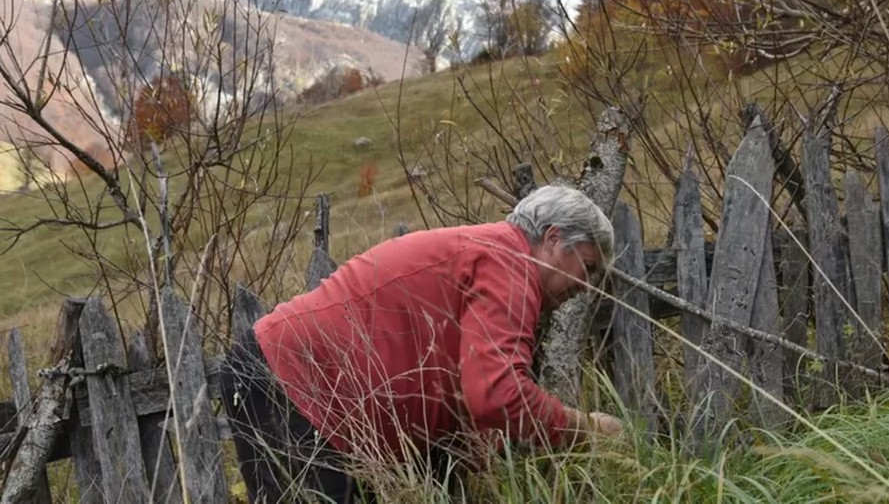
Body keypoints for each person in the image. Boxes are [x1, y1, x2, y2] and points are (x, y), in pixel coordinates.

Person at [220, 184, 624, 503]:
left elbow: (464, 377)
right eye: (587, 268)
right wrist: (584, 429)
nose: (586, 287)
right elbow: (498, 395)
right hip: (289, 381)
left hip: (299, 388)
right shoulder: (511, 264)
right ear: (553, 238)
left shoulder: (491, 253)